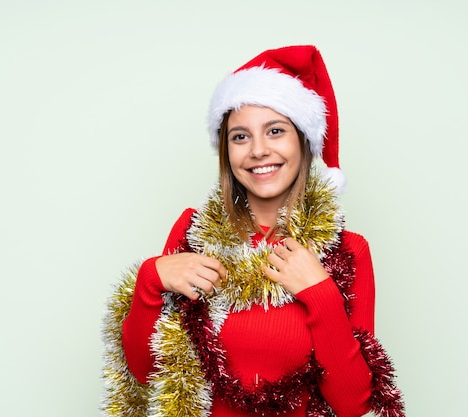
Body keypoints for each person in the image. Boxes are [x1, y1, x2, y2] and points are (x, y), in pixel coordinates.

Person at [102, 45, 404, 417]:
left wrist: (320, 293)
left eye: (275, 131)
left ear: (303, 141)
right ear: (227, 152)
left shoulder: (348, 251)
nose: (258, 150)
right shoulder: (194, 232)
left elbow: (352, 404)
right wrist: (151, 279)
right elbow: (148, 374)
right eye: (240, 137)